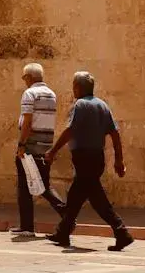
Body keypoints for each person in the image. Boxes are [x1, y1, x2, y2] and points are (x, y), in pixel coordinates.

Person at [44, 71, 133, 252]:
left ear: (78, 87)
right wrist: (118, 160)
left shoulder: (80, 105)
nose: (73, 89)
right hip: (97, 158)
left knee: (96, 199)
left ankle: (122, 232)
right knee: (77, 197)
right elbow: (115, 135)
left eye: (74, 86)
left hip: (84, 158)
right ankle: (63, 232)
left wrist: (53, 151)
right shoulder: (103, 105)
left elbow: (70, 131)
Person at [12, 61, 66, 239]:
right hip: (45, 145)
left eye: (24, 77)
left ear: (29, 77)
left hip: (30, 146)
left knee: (26, 186)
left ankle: (30, 225)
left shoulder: (29, 93)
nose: (23, 80)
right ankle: (65, 215)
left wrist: (21, 144)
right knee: (42, 183)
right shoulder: (51, 94)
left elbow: (27, 121)